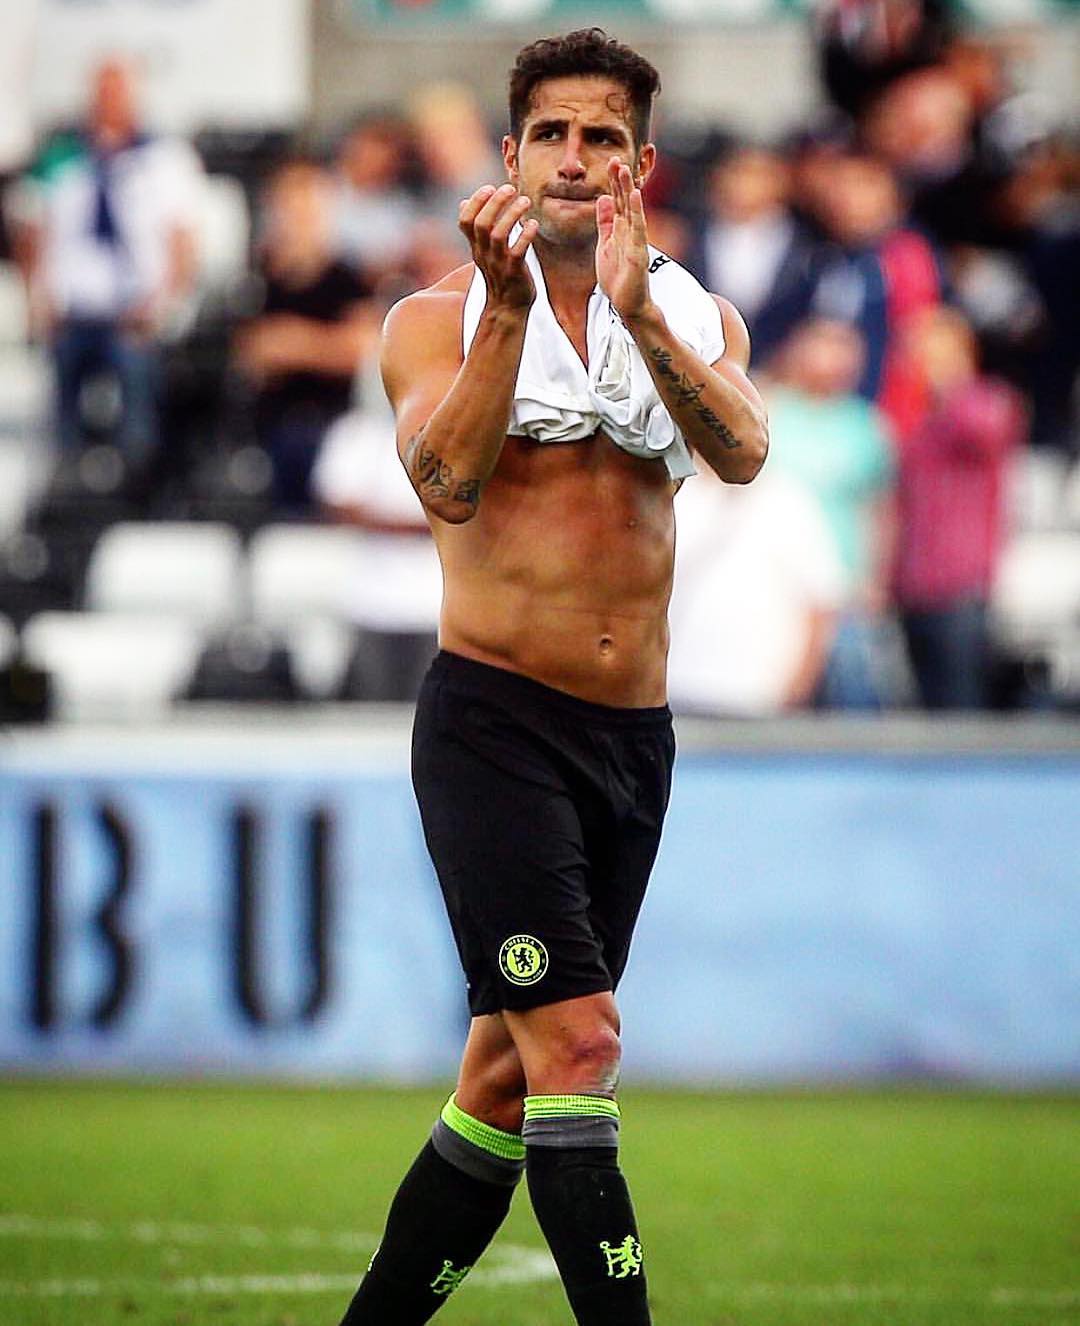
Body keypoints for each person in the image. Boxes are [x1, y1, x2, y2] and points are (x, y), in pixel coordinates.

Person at [337, 27, 767, 1326]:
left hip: (634, 742)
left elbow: (742, 450)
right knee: (580, 1045)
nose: (575, 158)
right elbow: (444, 482)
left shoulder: (694, 314)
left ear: (644, 164)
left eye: (603, 137)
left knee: (505, 1080)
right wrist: (514, 312)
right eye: (551, 135)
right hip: (494, 727)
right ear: (510, 154)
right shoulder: (433, 321)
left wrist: (636, 314)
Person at [17, 57, 201, 465]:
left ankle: (135, 473)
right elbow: (32, 228)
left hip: (136, 312)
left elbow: (183, 240)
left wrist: (164, 305)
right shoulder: (60, 154)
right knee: (60, 388)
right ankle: (64, 471)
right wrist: (37, 300)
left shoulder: (164, 158)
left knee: (136, 379)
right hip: (71, 310)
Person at [232, 158, 380, 513]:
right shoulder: (256, 283)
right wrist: (323, 344)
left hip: (333, 420)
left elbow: (362, 351)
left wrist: (297, 343)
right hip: (268, 421)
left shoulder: (347, 279)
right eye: (291, 206)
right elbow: (252, 355)